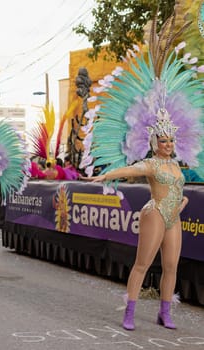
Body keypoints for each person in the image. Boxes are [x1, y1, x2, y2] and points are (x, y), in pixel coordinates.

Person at [86, 109, 189, 331]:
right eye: (163, 141)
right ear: (155, 143)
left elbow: (177, 190)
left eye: (171, 140)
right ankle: (129, 311)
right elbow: (131, 169)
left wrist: (182, 203)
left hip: (174, 218)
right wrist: (107, 175)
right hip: (155, 214)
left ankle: (164, 312)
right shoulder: (152, 164)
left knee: (171, 266)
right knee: (143, 264)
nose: (169, 144)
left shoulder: (176, 165)